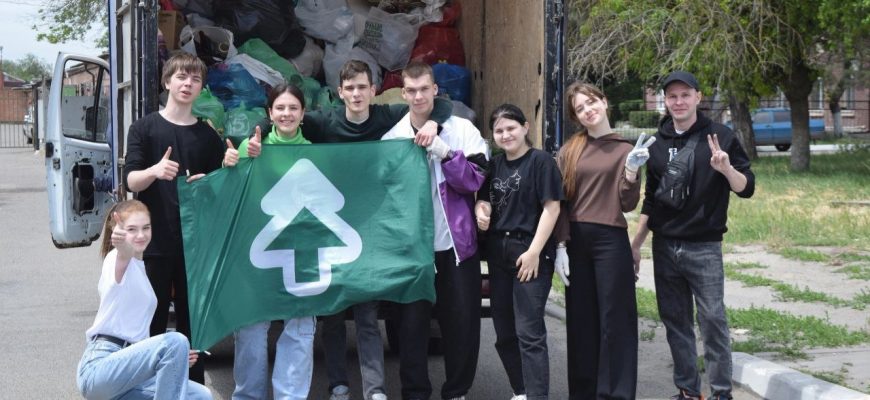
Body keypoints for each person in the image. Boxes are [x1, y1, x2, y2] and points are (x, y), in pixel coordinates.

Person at [246, 59, 452, 400]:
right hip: (330, 225)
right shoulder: (324, 120)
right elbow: (281, 115)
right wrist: (251, 139)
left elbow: (440, 104)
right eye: (350, 88)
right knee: (333, 312)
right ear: (339, 92)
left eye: (362, 87)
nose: (356, 94)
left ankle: (375, 390)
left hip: (370, 227)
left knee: (367, 311)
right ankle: (338, 384)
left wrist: (431, 123)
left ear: (374, 91)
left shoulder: (388, 116)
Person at [630, 71, 754, 400]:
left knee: (712, 320)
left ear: (698, 97)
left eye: (685, 95)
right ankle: (687, 390)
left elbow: (747, 188)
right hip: (665, 246)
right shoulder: (656, 143)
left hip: (704, 246)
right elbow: (652, 199)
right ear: (665, 101)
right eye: (672, 96)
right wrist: (636, 244)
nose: (679, 102)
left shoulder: (721, 136)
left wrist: (726, 169)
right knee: (676, 321)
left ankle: (721, 392)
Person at [382, 61, 490, 400]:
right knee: (410, 327)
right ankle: (415, 393)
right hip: (413, 249)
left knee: (462, 323)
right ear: (403, 94)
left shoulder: (462, 130)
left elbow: (474, 181)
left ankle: (457, 391)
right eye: (411, 91)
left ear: (435, 90)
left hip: (456, 244)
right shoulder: (392, 138)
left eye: (424, 89)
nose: (418, 96)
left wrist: (444, 152)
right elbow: (386, 199)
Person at [123, 53, 226, 383]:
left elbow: (221, 188)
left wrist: (207, 184)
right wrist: (154, 170)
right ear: (167, 82)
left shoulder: (207, 136)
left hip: (195, 245)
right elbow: (131, 181)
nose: (188, 84)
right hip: (154, 242)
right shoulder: (144, 128)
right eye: (181, 77)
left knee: (192, 323)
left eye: (195, 79)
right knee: (151, 318)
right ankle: (149, 384)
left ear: (201, 88)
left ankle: (193, 387)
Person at [553, 82, 655, 399]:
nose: (588, 110)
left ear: (604, 101)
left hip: (611, 241)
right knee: (581, 323)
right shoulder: (570, 150)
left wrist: (631, 172)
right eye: (580, 109)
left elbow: (627, 203)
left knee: (616, 322)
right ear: (576, 117)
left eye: (591, 102)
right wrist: (560, 244)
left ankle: (616, 394)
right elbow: (560, 202)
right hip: (576, 242)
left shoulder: (625, 149)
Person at [223, 83, 316, 400]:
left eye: (293, 108)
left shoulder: (316, 152)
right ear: (269, 113)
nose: (286, 114)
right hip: (258, 251)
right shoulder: (251, 149)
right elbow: (231, 191)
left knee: (300, 327)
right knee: (251, 325)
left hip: (301, 252)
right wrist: (232, 163)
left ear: (303, 113)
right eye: (280, 108)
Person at [76, 200, 212, 400]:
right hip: (101, 366)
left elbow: (140, 340)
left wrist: (178, 357)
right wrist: (121, 239)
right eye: (132, 229)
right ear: (117, 227)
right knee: (176, 341)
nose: (140, 235)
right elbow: (124, 251)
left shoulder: (140, 269)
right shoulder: (117, 259)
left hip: (129, 375)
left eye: (146, 228)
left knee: (200, 395)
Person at [475, 104, 562, 400]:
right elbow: (483, 200)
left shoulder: (541, 162)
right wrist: (481, 211)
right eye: (499, 130)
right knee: (504, 333)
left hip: (529, 252)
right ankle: (521, 391)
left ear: (525, 127)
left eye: (511, 128)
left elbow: (552, 208)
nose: (505, 134)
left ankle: (537, 396)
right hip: (498, 253)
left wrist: (535, 251)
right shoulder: (494, 165)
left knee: (529, 332)